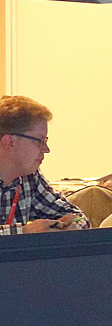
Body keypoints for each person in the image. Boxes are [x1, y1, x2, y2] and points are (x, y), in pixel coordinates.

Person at [0, 94, 87, 235]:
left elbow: (77, 216)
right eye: (39, 140)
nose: (46, 149)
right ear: (10, 142)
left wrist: (72, 226)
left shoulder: (29, 177)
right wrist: (23, 232)